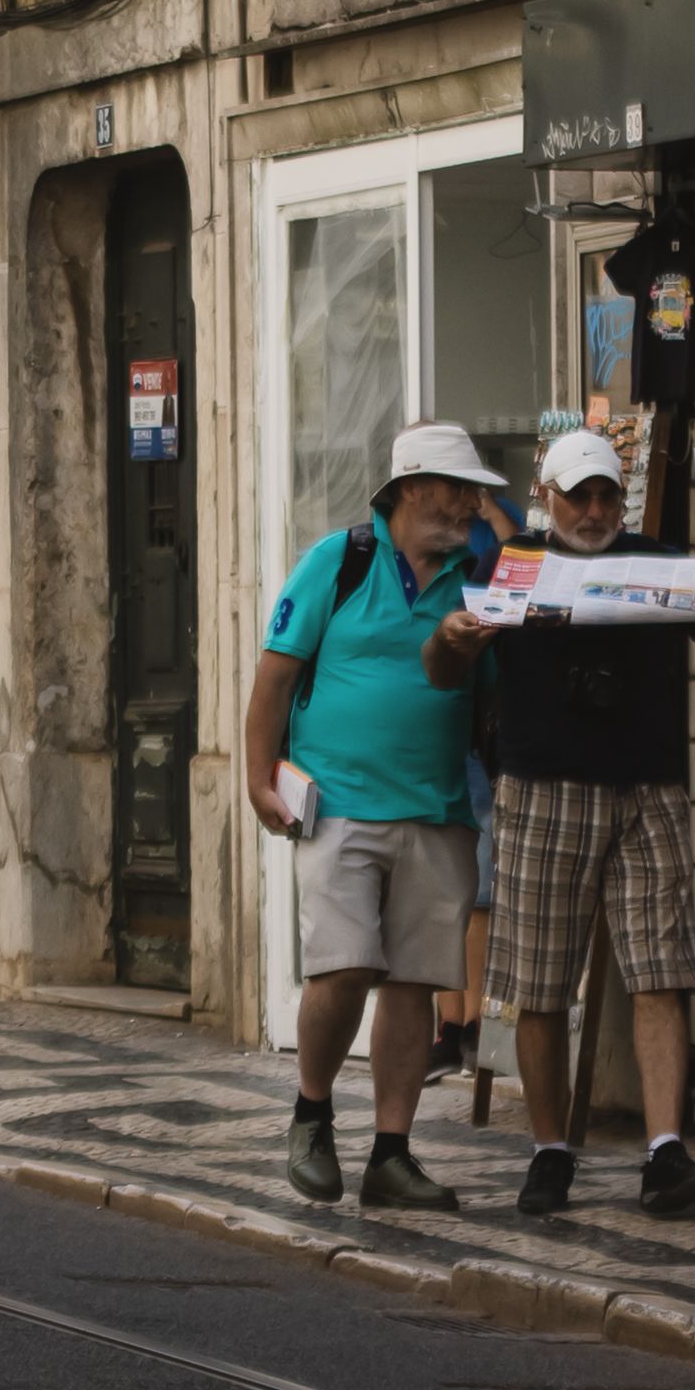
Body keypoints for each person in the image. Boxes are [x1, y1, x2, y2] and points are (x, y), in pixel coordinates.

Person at [430, 428, 695, 1216]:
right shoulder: (511, 564)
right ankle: (548, 1150)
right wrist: (451, 638)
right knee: (537, 984)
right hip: (541, 790)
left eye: (604, 493)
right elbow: (441, 663)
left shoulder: (657, 561)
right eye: (579, 495)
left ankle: (665, 1153)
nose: (594, 509)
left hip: (648, 789)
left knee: (659, 970)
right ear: (548, 496)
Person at [241, 422, 502, 1210]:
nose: (465, 502)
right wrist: (257, 777)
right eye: (453, 486)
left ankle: (391, 1152)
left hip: (437, 804)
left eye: (471, 489)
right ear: (406, 488)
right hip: (338, 803)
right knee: (345, 965)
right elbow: (276, 677)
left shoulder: (478, 572)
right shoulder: (339, 560)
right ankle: (311, 1110)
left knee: (413, 982)